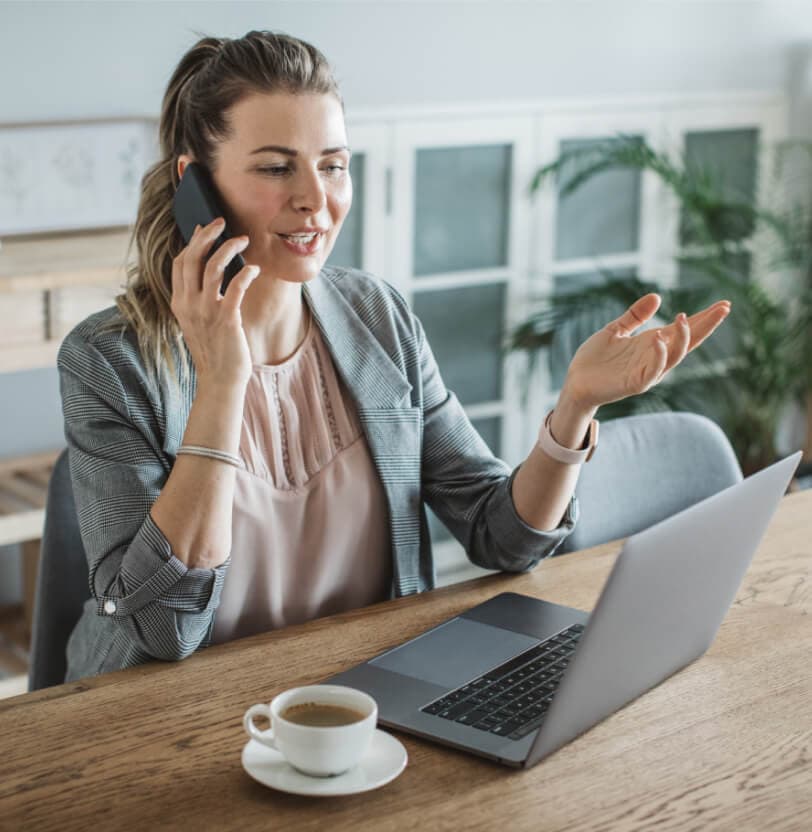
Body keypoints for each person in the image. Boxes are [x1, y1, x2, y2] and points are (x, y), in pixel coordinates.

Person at [57, 30, 731, 682]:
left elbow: (503, 537)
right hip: (165, 721)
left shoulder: (375, 318)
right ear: (193, 184)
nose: (315, 200)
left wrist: (575, 405)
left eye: (333, 165)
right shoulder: (108, 362)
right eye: (274, 167)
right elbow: (165, 632)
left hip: (360, 700)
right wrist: (225, 381)